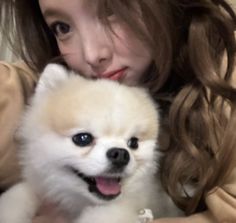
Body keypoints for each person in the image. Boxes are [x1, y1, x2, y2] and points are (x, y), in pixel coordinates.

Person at [0, 0, 236, 222]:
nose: (91, 54)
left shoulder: (226, 79)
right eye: (62, 27)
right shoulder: (62, 79)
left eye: (110, 10)